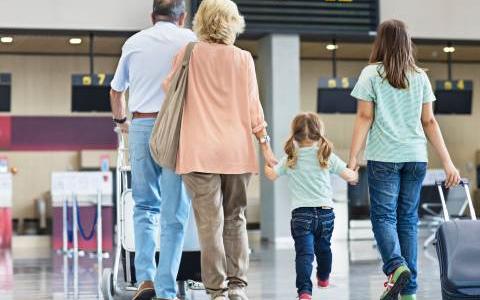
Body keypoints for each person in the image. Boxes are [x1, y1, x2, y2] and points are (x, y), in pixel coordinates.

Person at [165, 0, 277, 299]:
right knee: (235, 217)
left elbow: (168, 89)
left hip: (197, 151)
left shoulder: (188, 53)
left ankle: (215, 291)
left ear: (201, 21)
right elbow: (254, 108)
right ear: (233, 22)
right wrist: (265, 147)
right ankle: (237, 287)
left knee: (209, 223)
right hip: (236, 152)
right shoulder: (243, 59)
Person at [348, 20, 461, 300]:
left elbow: (364, 117)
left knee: (384, 217)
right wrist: (448, 162)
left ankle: (396, 267)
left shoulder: (371, 73)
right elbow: (430, 121)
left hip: (384, 157)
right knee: (407, 221)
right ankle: (409, 293)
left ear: (381, 43)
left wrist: (353, 159)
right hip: (415, 158)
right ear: (407, 44)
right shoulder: (420, 76)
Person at [109, 1, 196, 300]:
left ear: (152, 16)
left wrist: (122, 123)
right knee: (174, 212)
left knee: (145, 206)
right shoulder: (192, 42)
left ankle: (144, 278)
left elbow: (116, 90)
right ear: (182, 18)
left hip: (142, 127)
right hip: (177, 129)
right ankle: (167, 288)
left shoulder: (134, 42)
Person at [264, 113, 358, 300]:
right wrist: (354, 173)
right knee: (324, 249)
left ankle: (305, 292)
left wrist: (267, 166)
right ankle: (323, 278)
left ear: (295, 134)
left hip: (301, 216)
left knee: (304, 255)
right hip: (325, 214)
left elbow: (272, 175)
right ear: (318, 133)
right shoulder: (326, 155)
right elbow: (349, 176)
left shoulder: (291, 158)